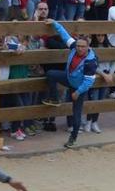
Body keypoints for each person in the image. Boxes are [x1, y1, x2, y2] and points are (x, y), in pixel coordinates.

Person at [40, 18, 98, 149]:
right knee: (51, 74)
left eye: (82, 46)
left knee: (76, 113)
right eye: (78, 46)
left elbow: (89, 81)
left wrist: (78, 92)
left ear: (88, 46)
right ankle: (54, 99)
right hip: (69, 78)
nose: (79, 48)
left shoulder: (90, 61)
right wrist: (55, 23)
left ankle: (73, 138)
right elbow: (64, 34)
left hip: (79, 87)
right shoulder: (73, 46)